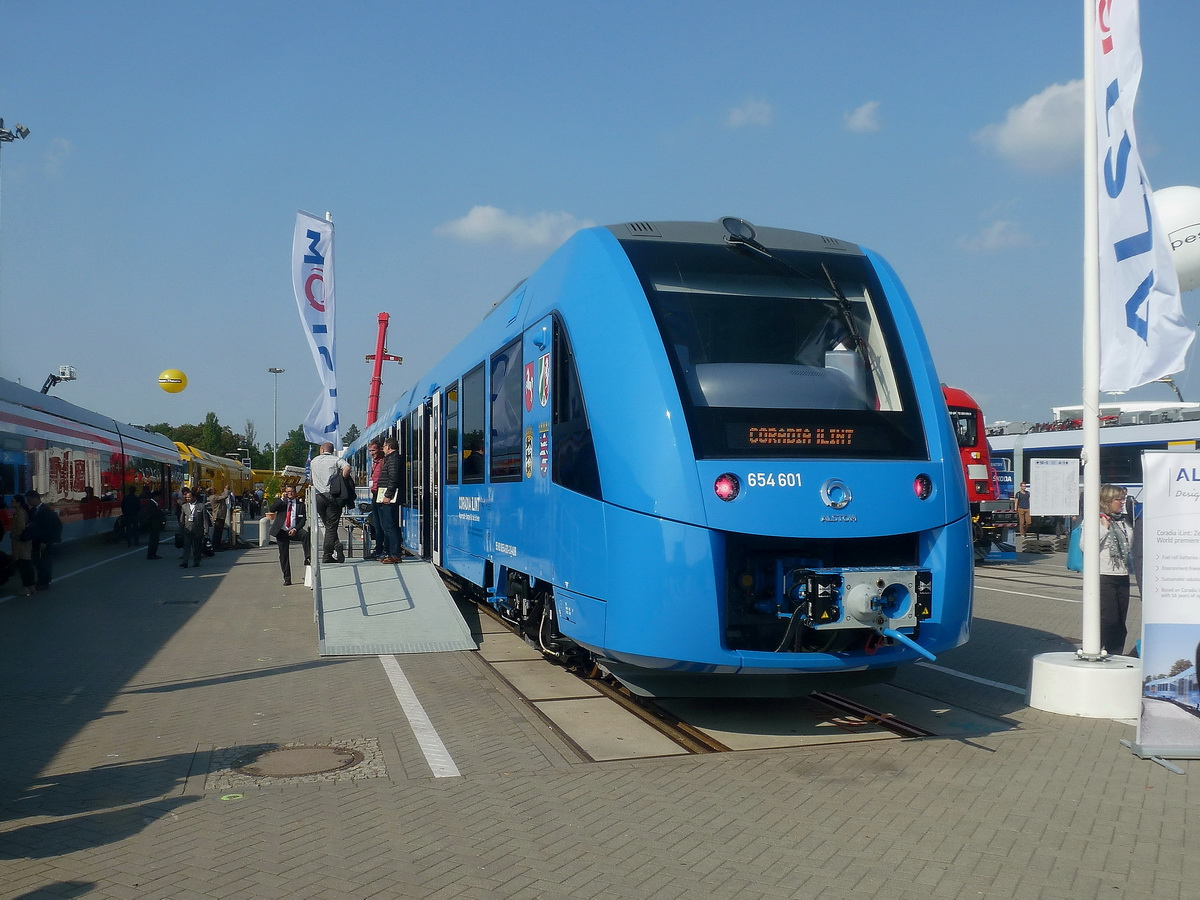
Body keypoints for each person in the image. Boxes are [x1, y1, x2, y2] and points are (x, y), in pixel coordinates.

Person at [1099, 483, 1134, 656]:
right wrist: (1104, 528)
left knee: (1121, 622)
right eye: (1118, 499)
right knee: (1109, 619)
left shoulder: (1123, 521)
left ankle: (1116, 654)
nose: (1121, 502)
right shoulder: (1097, 519)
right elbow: (1086, 545)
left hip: (1122, 574)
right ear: (1107, 501)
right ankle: (1098, 647)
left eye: (1123, 499)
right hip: (1104, 575)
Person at [309, 441, 351, 564]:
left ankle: (337, 544)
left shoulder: (313, 461)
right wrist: (342, 479)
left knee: (328, 525)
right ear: (332, 450)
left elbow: (311, 479)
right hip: (332, 496)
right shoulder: (336, 459)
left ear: (322, 450)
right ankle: (327, 555)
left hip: (318, 497)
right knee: (331, 527)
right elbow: (347, 467)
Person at [268, 484, 310, 585]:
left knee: (305, 535)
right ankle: (287, 578)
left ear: (295, 493)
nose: (289, 493)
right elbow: (272, 509)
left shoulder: (300, 505)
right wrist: (281, 499)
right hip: (282, 531)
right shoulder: (282, 503)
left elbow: (303, 520)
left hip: (293, 530)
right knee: (283, 555)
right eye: (288, 491)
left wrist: (295, 529)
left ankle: (308, 557)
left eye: (291, 491)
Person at [21, 490, 60, 591]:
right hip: (36, 541)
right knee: (38, 561)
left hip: (43, 541)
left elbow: (52, 526)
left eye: (29, 500)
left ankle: (44, 582)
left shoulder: (45, 510)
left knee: (44, 562)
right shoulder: (34, 510)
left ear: (35, 498)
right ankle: (41, 580)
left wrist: (46, 541)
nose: (28, 502)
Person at [377, 437, 402, 563]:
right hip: (387, 497)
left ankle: (394, 554)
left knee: (389, 526)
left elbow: (393, 478)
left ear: (389, 447)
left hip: (389, 498)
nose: (383, 448)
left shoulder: (393, 460)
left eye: (384, 446)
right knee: (388, 526)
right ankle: (391, 553)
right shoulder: (391, 459)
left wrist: (388, 495)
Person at [8, 494, 36, 596]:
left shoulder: (19, 514)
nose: (11, 503)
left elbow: (20, 529)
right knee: (27, 566)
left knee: (24, 566)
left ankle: (27, 587)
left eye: (13, 501)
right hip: (23, 545)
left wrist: (13, 535)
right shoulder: (21, 512)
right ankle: (31, 587)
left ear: (18, 503)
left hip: (21, 545)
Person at [177, 488, 210, 568]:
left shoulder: (201, 506)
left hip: (198, 530)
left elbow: (205, 520)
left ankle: (196, 561)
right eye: (187, 497)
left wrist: (206, 530)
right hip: (187, 530)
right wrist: (180, 530)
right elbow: (182, 519)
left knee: (197, 547)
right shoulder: (184, 506)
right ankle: (185, 562)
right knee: (186, 547)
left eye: (189, 497)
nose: (188, 498)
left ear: (194, 497)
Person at [366, 440, 385, 558]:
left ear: (380, 449)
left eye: (373, 450)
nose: (371, 453)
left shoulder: (382, 462)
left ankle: (381, 549)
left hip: (381, 494)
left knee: (381, 524)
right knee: (376, 524)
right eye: (370, 451)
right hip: (375, 494)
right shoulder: (375, 462)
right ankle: (378, 549)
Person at [142, 490, 166, 560]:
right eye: (159, 497)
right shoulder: (151, 503)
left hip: (155, 524)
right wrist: (161, 513)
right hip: (153, 524)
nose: (159, 498)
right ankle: (151, 554)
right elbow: (153, 514)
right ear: (155, 496)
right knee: (153, 539)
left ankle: (153, 553)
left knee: (155, 539)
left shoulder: (154, 503)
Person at [210, 484, 232, 551]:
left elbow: (222, 496)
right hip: (218, 516)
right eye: (214, 489)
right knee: (217, 532)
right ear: (212, 492)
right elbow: (224, 496)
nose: (215, 490)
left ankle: (218, 545)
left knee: (219, 532)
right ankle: (216, 546)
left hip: (221, 516)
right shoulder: (213, 497)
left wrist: (224, 490)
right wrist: (226, 489)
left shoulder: (216, 496)